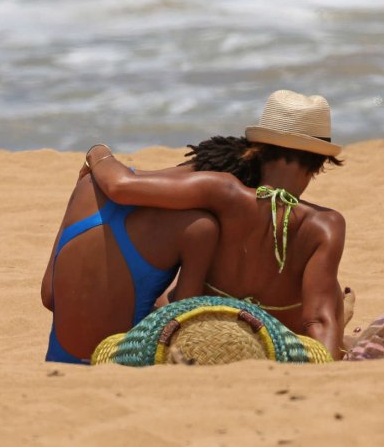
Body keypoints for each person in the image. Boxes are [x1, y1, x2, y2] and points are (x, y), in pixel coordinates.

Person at [81, 90, 348, 358]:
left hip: (206, 332)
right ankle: (345, 314)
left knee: (172, 289)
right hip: (272, 339)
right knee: (332, 294)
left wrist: (98, 153)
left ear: (257, 149)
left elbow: (120, 186)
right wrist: (326, 363)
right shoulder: (327, 224)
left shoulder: (223, 192)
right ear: (320, 163)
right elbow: (319, 321)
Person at [41, 174, 220, 364]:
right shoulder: (198, 227)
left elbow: (49, 295)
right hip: (122, 360)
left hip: (60, 360)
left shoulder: (89, 185)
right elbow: (179, 326)